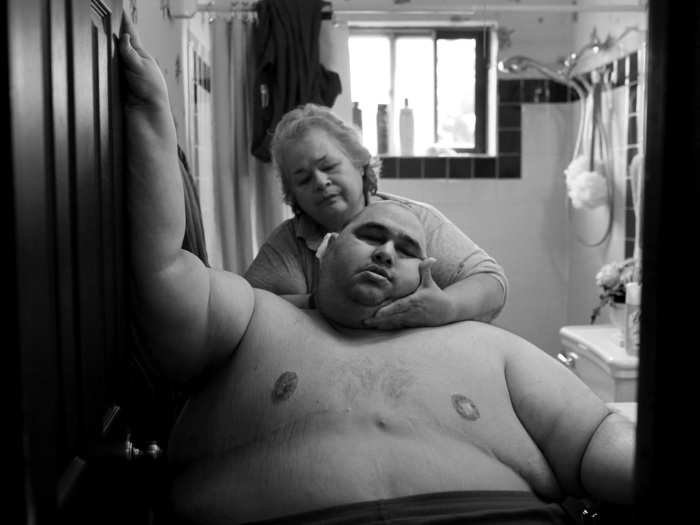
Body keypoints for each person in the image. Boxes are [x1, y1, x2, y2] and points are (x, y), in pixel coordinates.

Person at [119, 15, 635, 525]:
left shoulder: (489, 345)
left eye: (408, 249)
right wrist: (149, 109)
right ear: (322, 248)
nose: (389, 251)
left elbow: (596, 436)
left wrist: (447, 307)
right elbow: (167, 269)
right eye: (369, 237)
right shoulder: (257, 314)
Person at [243, 103, 508, 329]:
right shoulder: (289, 244)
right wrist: (317, 302)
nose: (321, 182)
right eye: (303, 179)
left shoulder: (416, 221)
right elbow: (244, 307)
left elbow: (492, 283)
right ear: (293, 196)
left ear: (359, 164)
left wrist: (446, 307)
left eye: (329, 166)